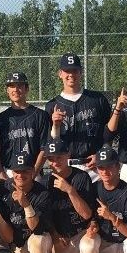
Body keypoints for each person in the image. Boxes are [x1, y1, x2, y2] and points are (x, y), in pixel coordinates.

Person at [42, 138, 95, 253]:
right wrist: (55, 235)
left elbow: (86, 215)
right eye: (51, 158)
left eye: (59, 157)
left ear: (68, 155)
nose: (55, 161)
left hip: (83, 232)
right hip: (63, 237)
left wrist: (70, 190)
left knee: (89, 248)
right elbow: (46, 216)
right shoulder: (45, 182)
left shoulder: (81, 177)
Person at [46, 53, 112, 182]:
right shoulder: (52, 105)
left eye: (75, 70)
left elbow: (110, 132)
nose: (71, 75)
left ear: (81, 72)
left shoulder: (97, 99)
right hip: (66, 168)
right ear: (60, 73)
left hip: (95, 167)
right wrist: (56, 125)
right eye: (67, 71)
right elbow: (51, 141)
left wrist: (101, 154)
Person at [0, 71, 50, 180]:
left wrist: (34, 172)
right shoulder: (0, 119)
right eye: (11, 86)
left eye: (19, 85)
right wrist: (1, 173)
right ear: (7, 90)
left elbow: (44, 147)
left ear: (27, 89)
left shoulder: (40, 115)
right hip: (9, 172)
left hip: (32, 170)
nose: (15, 89)